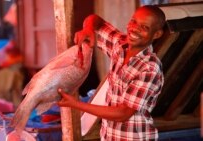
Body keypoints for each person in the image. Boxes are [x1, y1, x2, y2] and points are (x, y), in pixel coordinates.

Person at [57, 5, 165, 141]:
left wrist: (76, 104)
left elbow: (123, 113)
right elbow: (96, 21)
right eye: (133, 21)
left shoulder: (149, 68)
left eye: (144, 27)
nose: (134, 28)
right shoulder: (120, 45)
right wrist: (88, 29)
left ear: (157, 34)